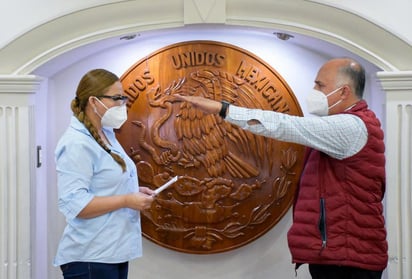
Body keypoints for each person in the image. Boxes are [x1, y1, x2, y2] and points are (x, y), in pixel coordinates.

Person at [174, 57, 387, 279]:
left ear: (343, 92)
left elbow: (286, 125)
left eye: (320, 85)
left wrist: (223, 109)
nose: (314, 90)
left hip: (348, 260)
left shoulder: (350, 126)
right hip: (340, 254)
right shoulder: (344, 124)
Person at [54, 69, 154, 279]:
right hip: (90, 257)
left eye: (123, 98)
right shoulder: (76, 143)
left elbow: (104, 185)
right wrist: (127, 199)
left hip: (112, 253)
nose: (123, 104)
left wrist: (132, 191)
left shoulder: (106, 134)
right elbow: (76, 204)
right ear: (93, 101)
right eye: (117, 98)